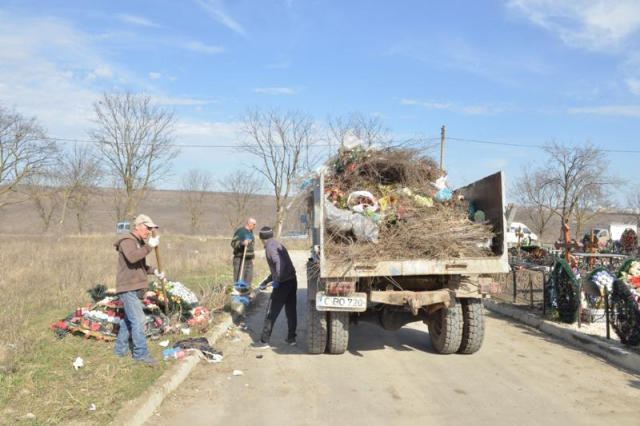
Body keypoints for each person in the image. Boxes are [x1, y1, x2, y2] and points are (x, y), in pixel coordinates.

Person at [113, 214, 165, 365]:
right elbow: (132, 258)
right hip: (128, 287)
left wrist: (154, 271)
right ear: (138, 226)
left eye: (151, 229)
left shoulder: (138, 242)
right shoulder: (127, 241)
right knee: (139, 320)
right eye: (147, 228)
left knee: (130, 320)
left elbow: (139, 265)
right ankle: (140, 355)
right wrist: (150, 246)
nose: (149, 231)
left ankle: (120, 350)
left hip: (135, 287)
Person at [250, 226, 298, 349]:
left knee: (271, 312)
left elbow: (279, 264)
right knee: (291, 311)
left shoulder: (270, 248)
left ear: (261, 238)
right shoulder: (277, 245)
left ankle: (264, 341)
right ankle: (291, 338)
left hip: (282, 284)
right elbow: (282, 266)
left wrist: (276, 281)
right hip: (292, 280)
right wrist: (267, 280)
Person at [231, 218, 256, 286]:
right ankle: (238, 292)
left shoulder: (251, 233)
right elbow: (233, 243)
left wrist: (253, 258)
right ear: (249, 223)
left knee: (248, 278)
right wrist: (242, 243)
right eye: (254, 224)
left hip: (249, 259)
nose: (255, 226)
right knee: (239, 278)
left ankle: (246, 293)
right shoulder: (240, 231)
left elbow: (251, 246)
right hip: (240, 258)